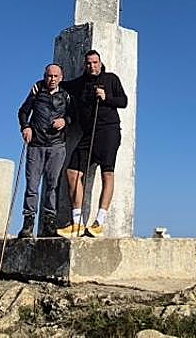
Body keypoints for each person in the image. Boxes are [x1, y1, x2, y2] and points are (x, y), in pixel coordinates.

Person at [57, 49, 127, 237]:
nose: (92, 66)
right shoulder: (80, 83)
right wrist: (41, 84)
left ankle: (99, 222)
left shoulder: (111, 79)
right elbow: (60, 84)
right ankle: (77, 222)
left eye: (95, 62)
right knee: (72, 173)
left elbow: (124, 101)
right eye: (89, 63)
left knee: (107, 174)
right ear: (84, 65)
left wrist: (106, 97)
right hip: (88, 134)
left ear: (100, 62)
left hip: (108, 132)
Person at [16, 63, 72, 238]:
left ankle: (49, 223)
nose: (52, 79)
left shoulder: (66, 96)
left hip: (57, 145)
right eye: (49, 76)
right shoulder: (36, 91)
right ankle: (28, 223)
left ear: (61, 78)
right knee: (32, 185)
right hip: (36, 145)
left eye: (56, 76)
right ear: (44, 76)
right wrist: (25, 127)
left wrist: (65, 121)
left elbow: (75, 115)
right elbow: (23, 112)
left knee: (52, 185)